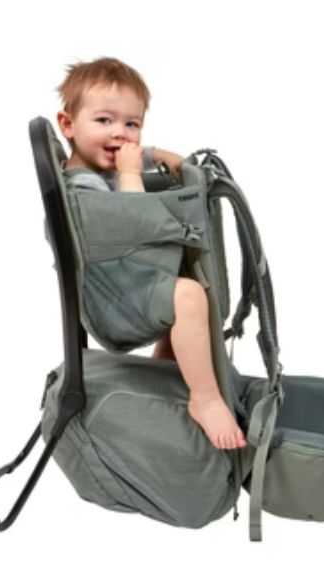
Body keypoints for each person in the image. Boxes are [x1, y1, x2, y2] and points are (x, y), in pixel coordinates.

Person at [56, 57, 246, 450]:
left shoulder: (96, 169)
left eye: (132, 124)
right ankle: (205, 399)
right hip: (115, 303)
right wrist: (130, 174)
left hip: (126, 285)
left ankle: (163, 374)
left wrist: (159, 156)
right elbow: (134, 218)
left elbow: (129, 158)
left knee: (189, 288)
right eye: (104, 120)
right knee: (187, 297)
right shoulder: (81, 189)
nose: (120, 134)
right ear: (68, 124)